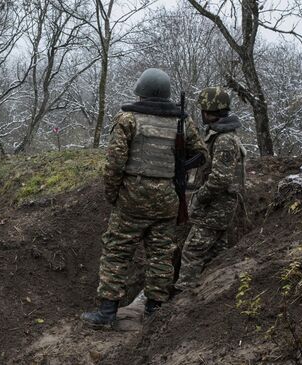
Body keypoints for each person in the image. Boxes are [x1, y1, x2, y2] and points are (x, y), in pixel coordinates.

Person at [80, 68, 207, 328]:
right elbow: (202, 154)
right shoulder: (180, 121)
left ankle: (106, 314)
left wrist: (113, 194)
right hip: (167, 198)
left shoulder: (127, 119)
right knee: (161, 255)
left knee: (117, 252)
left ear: (142, 92)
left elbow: (114, 164)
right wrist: (178, 168)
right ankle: (154, 312)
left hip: (131, 198)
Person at [173, 86, 246, 292]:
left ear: (209, 111)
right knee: (216, 252)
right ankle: (211, 294)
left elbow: (220, 179)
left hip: (217, 206)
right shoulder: (221, 135)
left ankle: (181, 297)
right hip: (219, 205)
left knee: (193, 250)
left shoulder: (224, 139)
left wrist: (199, 197)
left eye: (204, 109)